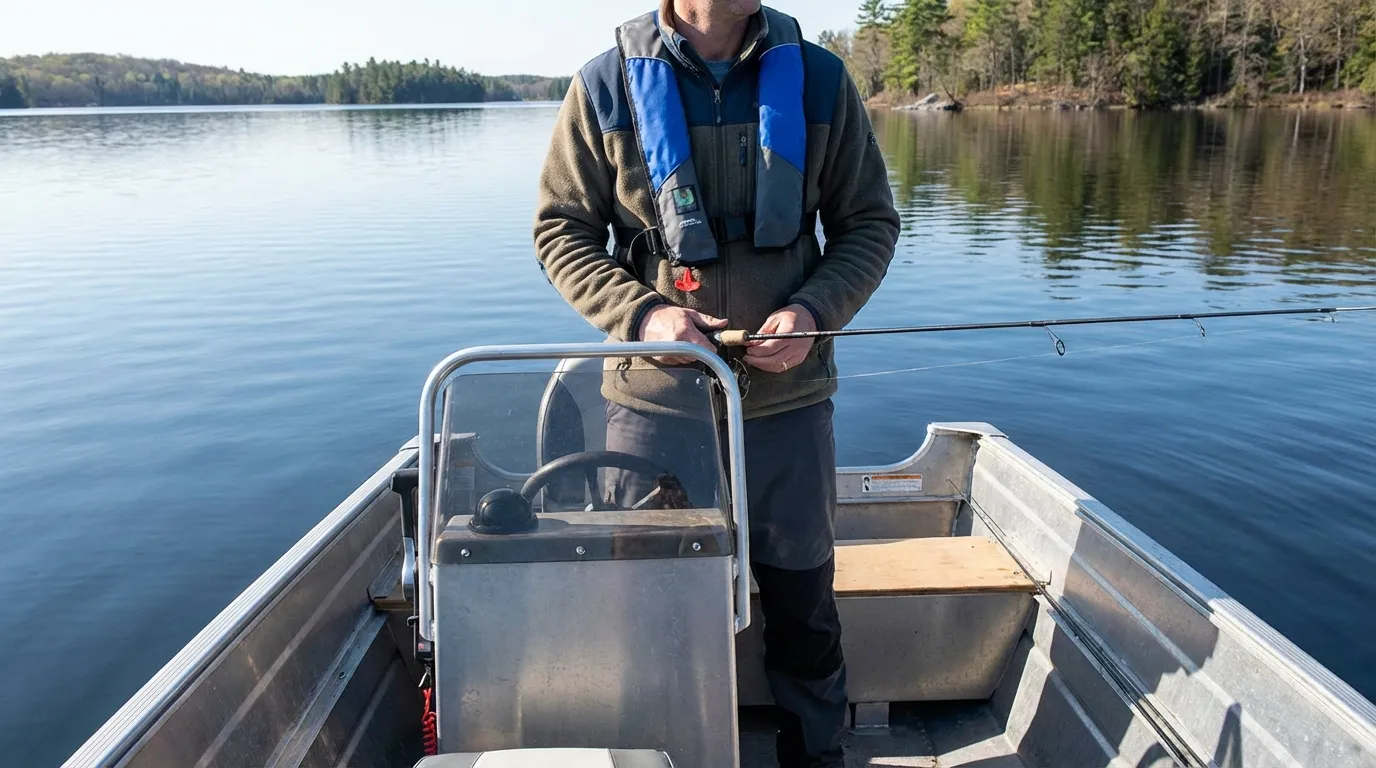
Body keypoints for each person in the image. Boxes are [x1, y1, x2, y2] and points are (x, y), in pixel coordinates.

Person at [533, 0, 900, 764]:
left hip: (789, 407)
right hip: (654, 410)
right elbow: (560, 231)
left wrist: (814, 310)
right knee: (647, 609)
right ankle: (659, 751)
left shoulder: (823, 81)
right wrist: (642, 316)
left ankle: (814, 754)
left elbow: (870, 224)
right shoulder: (603, 86)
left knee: (805, 607)